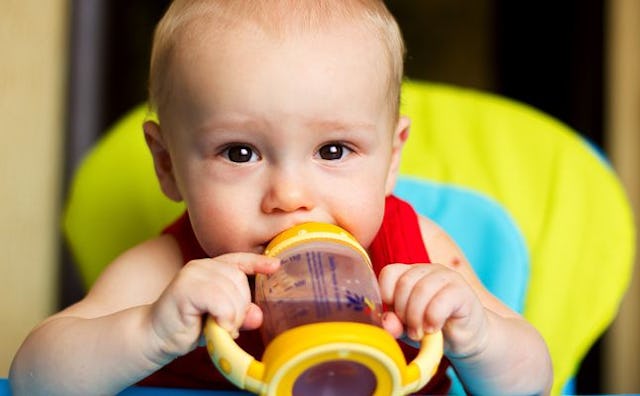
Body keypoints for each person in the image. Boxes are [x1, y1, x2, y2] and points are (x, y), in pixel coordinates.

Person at [10, 0, 552, 394]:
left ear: (391, 159)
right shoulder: (169, 272)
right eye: (240, 153)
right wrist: (148, 330)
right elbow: (34, 379)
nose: (290, 197)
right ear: (168, 164)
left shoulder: (418, 252)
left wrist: (477, 337)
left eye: (334, 150)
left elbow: (532, 380)